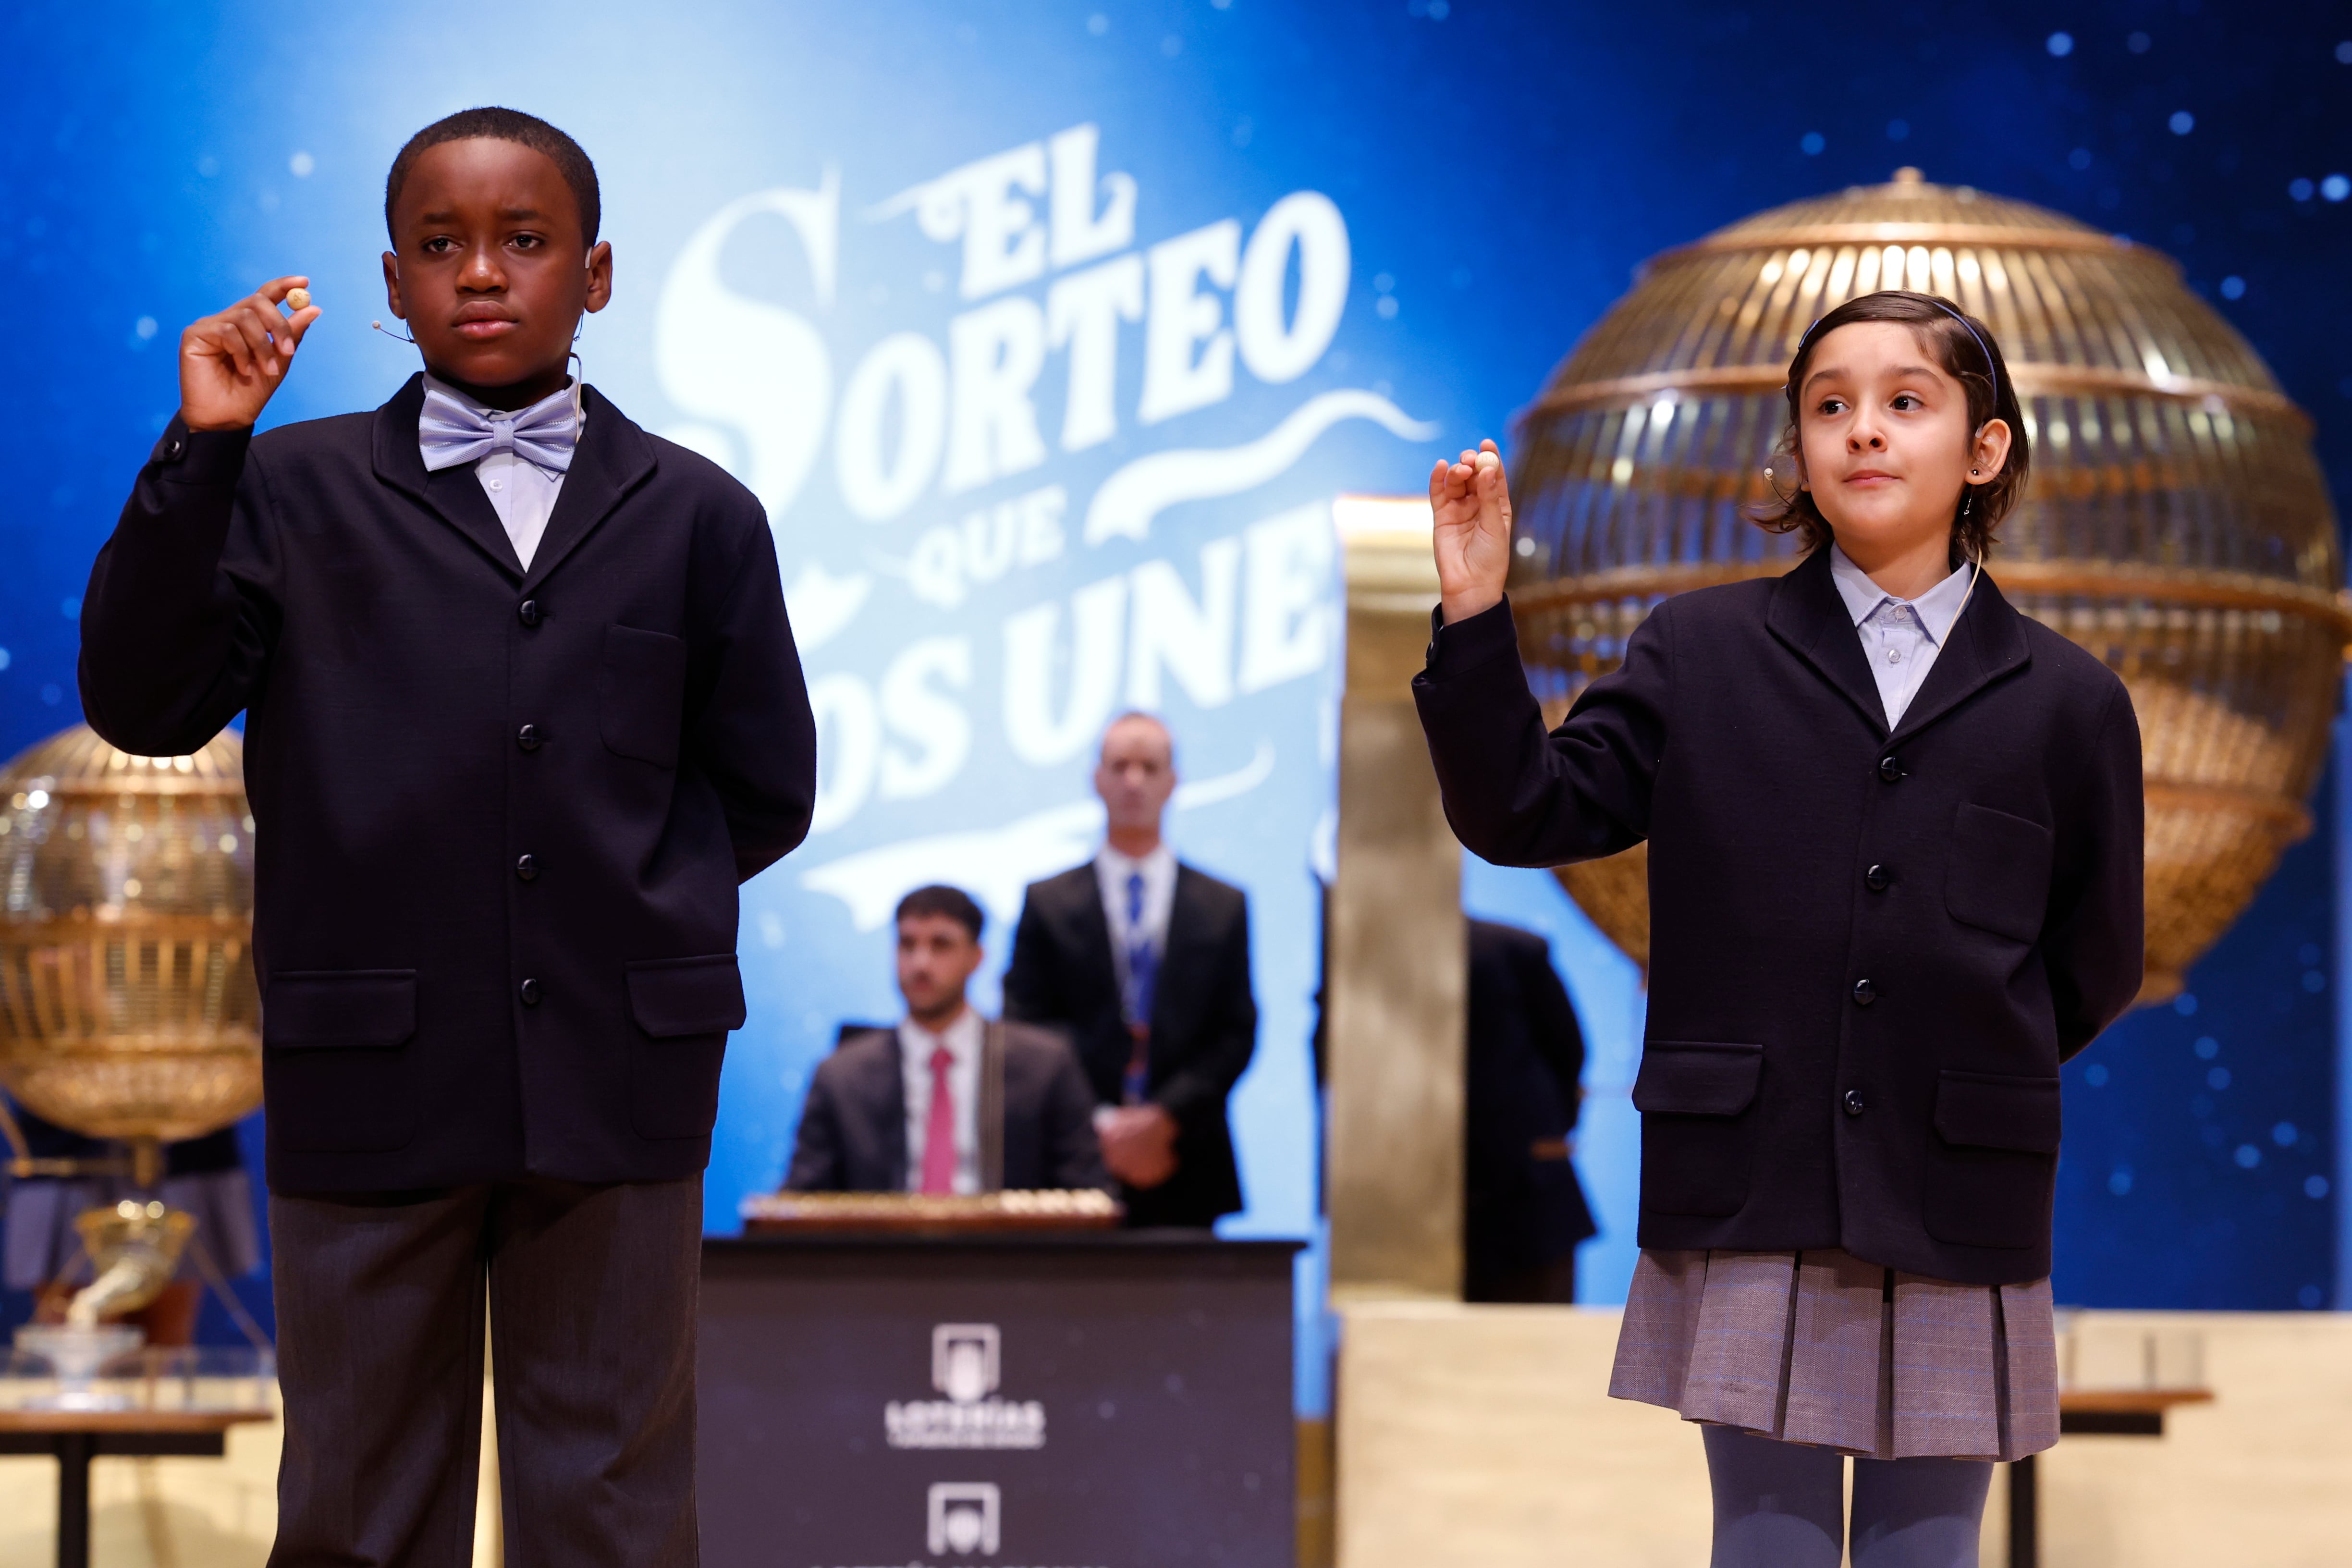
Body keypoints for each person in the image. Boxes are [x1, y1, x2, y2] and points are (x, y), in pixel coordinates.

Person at [76, 108, 815, 1566]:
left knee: (610, 1506)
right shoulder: (284, 487)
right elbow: (145, 701)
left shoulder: (702, 514)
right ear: (393, 282)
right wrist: (201, 446)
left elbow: (765, 784)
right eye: (442, 245)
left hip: (620, 1078)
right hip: (371, 1075)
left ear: (594, 274)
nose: (483, 272)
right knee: (359, 1508)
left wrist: (629, 913)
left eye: (523, 241)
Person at [1413, 291, 2142, 1568]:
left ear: (1985, 451)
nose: (1862, 430)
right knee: (1766, 1549)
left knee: (1931, 1554)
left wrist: (1960, 1072)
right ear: (1799, 451)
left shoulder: (2072, 704)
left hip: (1955, 1193)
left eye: (1904, 402)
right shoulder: (1699, 650)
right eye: (1829, 406)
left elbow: (2091, 964)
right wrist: (1477, 616)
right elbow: (1525, 811)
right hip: (1748, 1188)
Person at [1002, 714, 1256, 1229]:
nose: (1133, 781)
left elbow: (1236, 1032)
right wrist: (1101, 1122)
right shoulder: (1047, 902)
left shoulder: (1222, 904)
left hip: (1186, 1159)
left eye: (1149, 766)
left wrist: (1164, 1119)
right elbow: (1025, 1024)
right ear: (1097, 780)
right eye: (1120, 765)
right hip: (1072, 1158)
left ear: (1173, 781)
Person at [787, 885, 1106, 1194]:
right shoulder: (842, 1076)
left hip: (1005, 1246)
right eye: (907, 945)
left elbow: (1089, 1197)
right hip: (885, 1246)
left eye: (941, 945)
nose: (920, 964)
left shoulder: (1044, 1067)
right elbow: (800, 1204)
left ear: (977, 958)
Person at [1462, 919, 1595, 1304]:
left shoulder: (1512, 949)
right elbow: (1567, 1050)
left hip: (1526, 1199)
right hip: (1523, 1182)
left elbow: (1565, 1050)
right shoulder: (1507, 947)